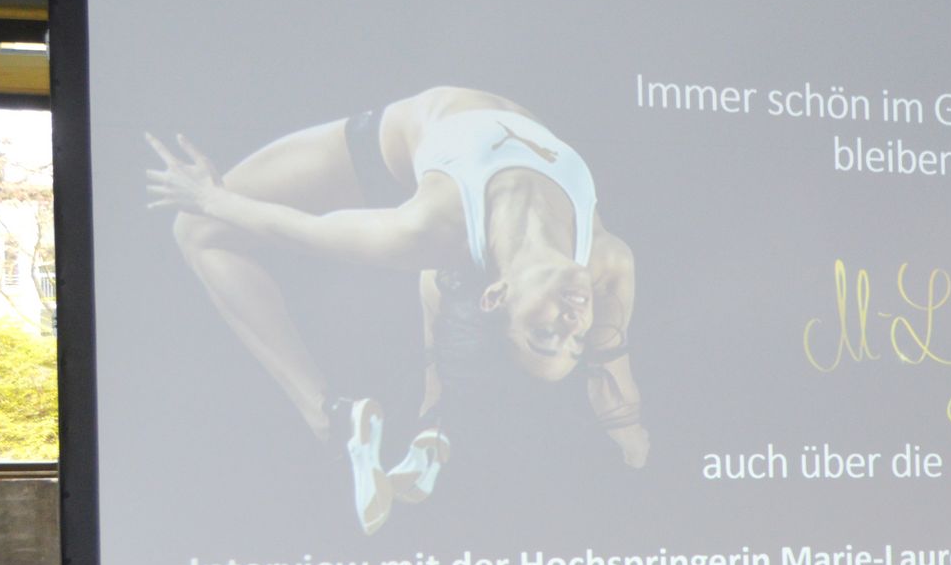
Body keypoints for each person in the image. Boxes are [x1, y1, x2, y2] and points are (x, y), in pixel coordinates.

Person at [146, 86, 645, 534]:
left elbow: (303, 231)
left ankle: (329, 416)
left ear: (497, 296)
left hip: (386, 161)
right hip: (458, 239)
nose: (574, 324)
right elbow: (615, 382)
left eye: (546, 336)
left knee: (196, 230)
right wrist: (632, 441)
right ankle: (432, 419)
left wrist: (209, 198)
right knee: (445, 275)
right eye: (575, 341)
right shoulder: (606, 260)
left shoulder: (424, 227)